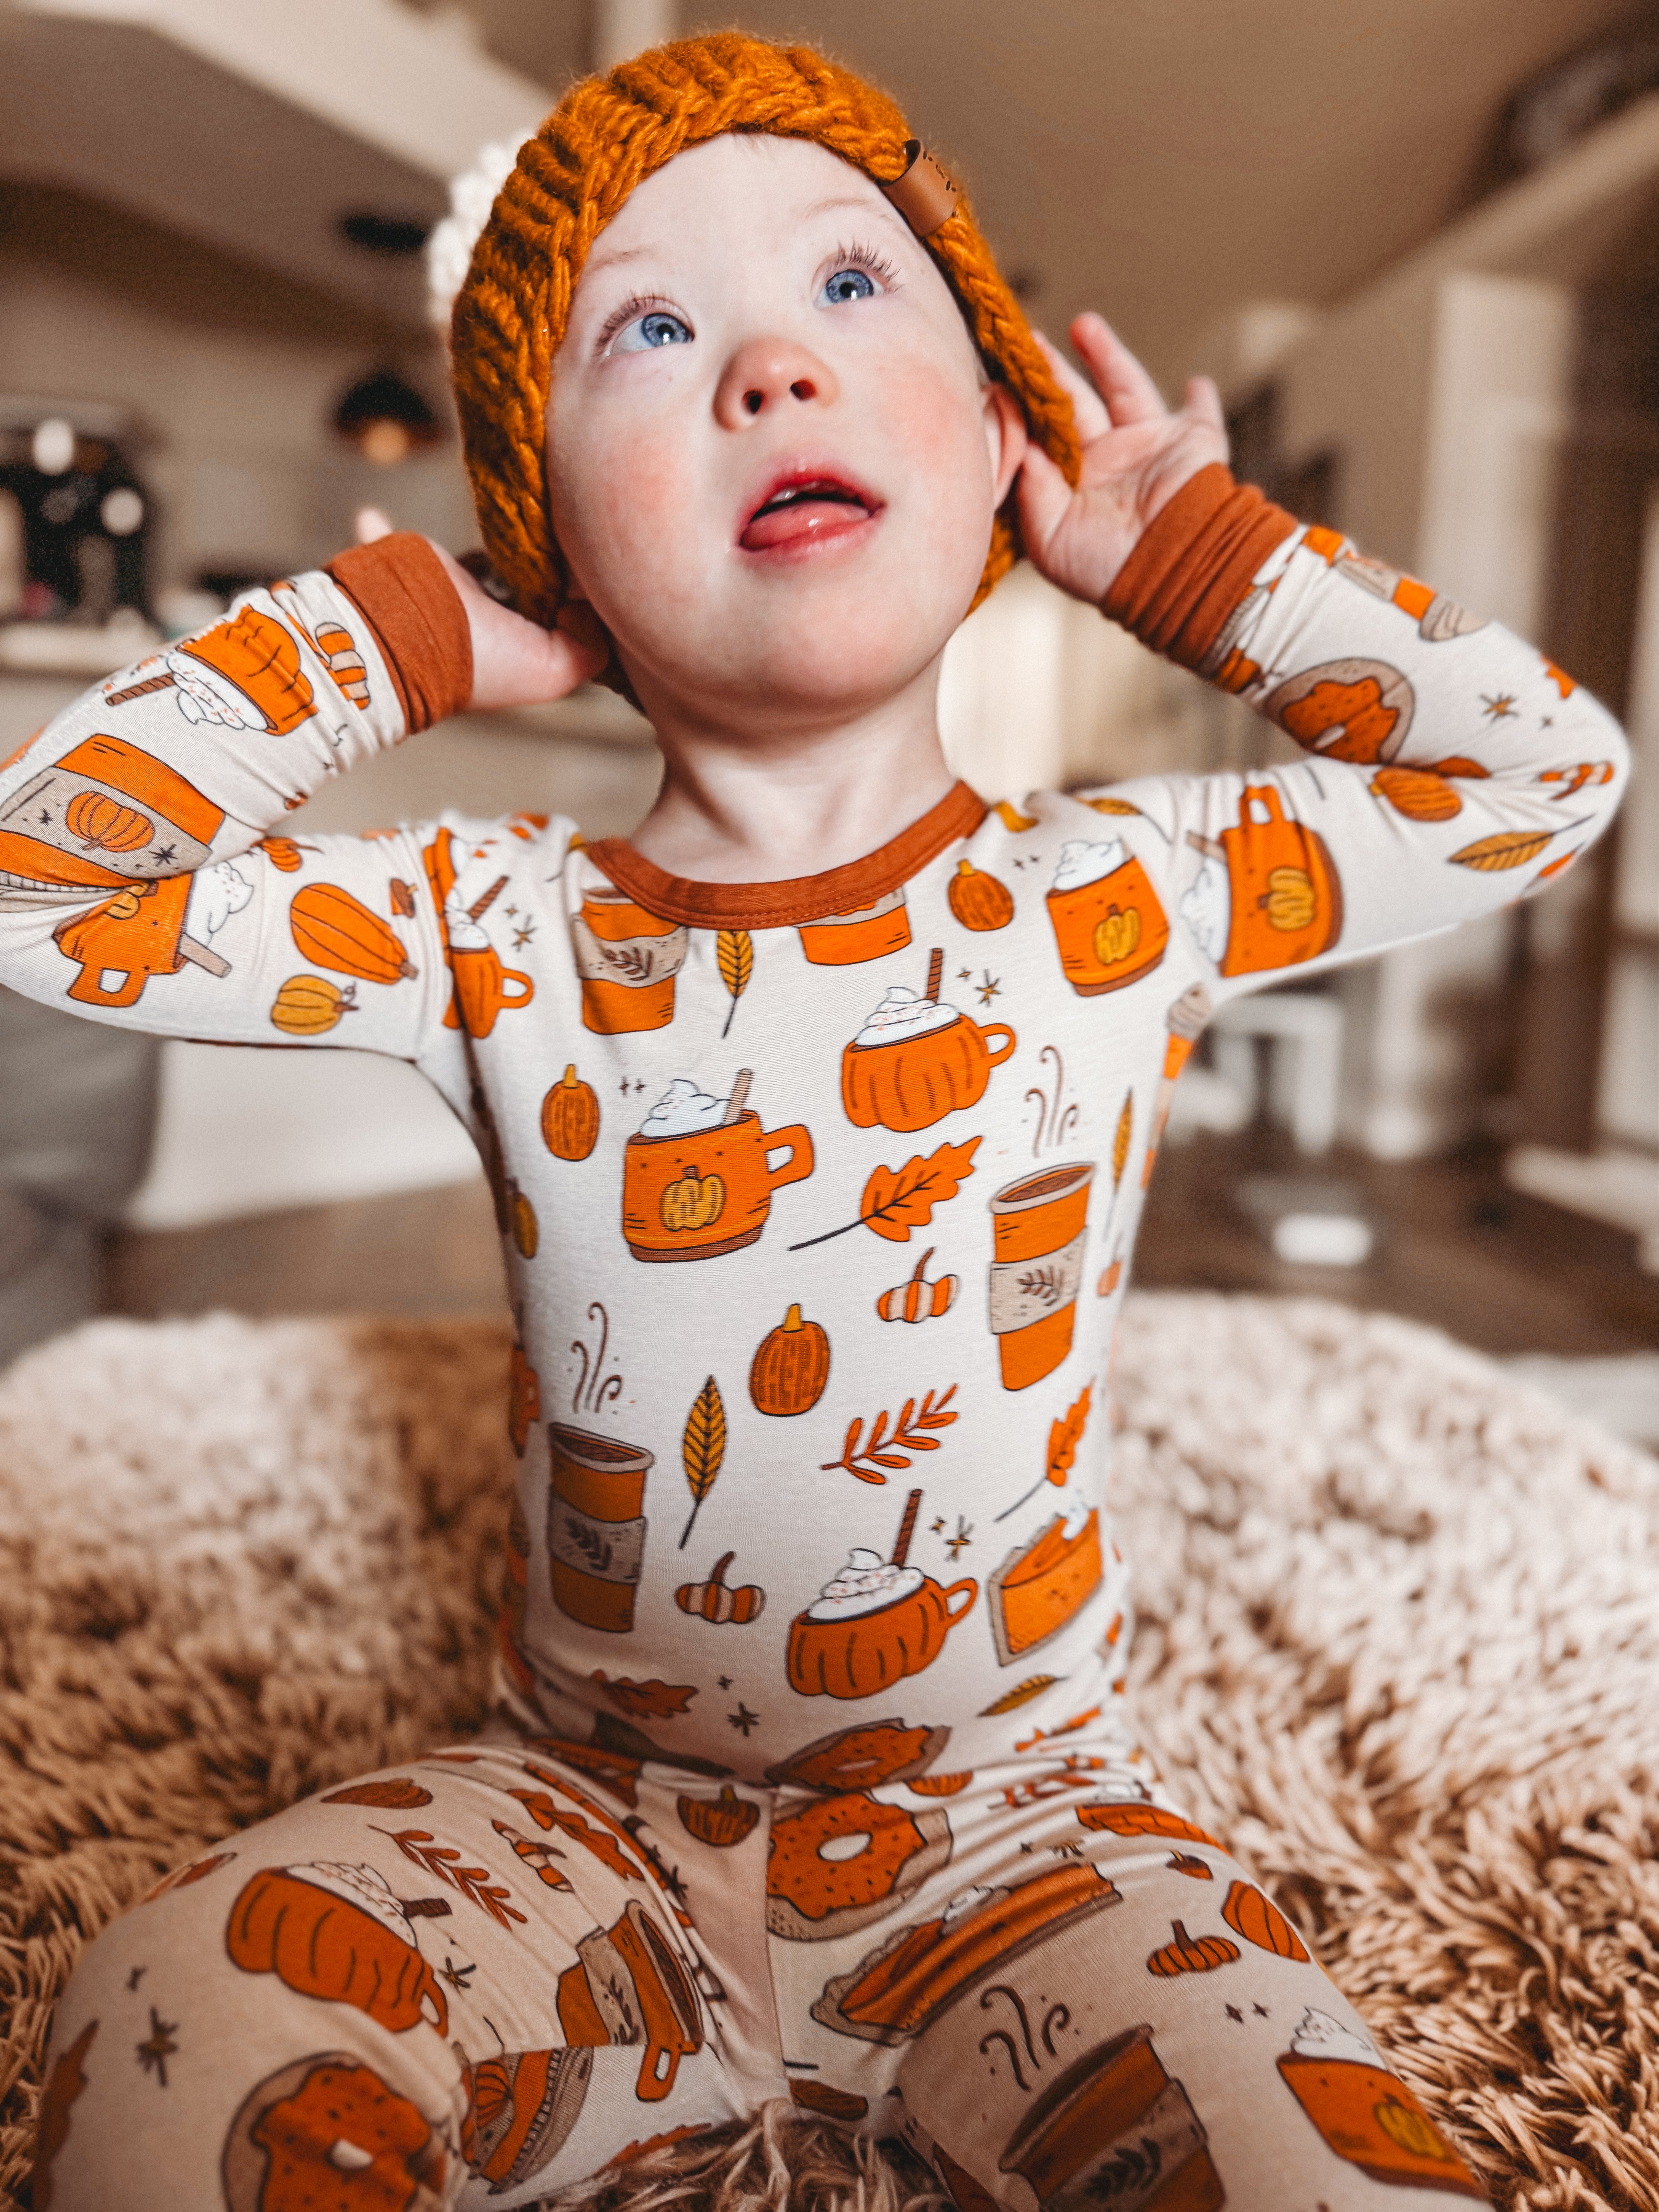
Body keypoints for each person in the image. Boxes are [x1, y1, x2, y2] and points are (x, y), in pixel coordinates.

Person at [9, 32, 1626, 2212]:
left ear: (994, 446)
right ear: (555, 529)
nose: (770, 364)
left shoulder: (1114, 893)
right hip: (584, 1826)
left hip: (1031, 1843)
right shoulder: (494, 922)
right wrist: (403, 631)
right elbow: (45, 884)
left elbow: (1550, 774)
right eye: (652, 334)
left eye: (860, 292)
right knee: (173, 2015)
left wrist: (1205, 558)